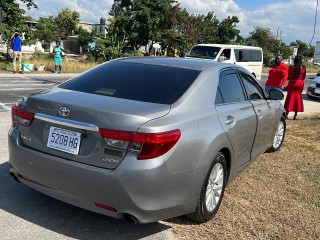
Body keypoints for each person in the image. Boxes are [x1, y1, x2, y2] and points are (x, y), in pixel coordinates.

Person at [284, 56, 306, 120]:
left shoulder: (292, 67)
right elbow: (303, 77)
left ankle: (286, 115)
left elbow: (289, 76)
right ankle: (295, 116)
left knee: (290, 98)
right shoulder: (303, 68)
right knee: (298, 99)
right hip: (300, 84)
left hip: (293, 83)